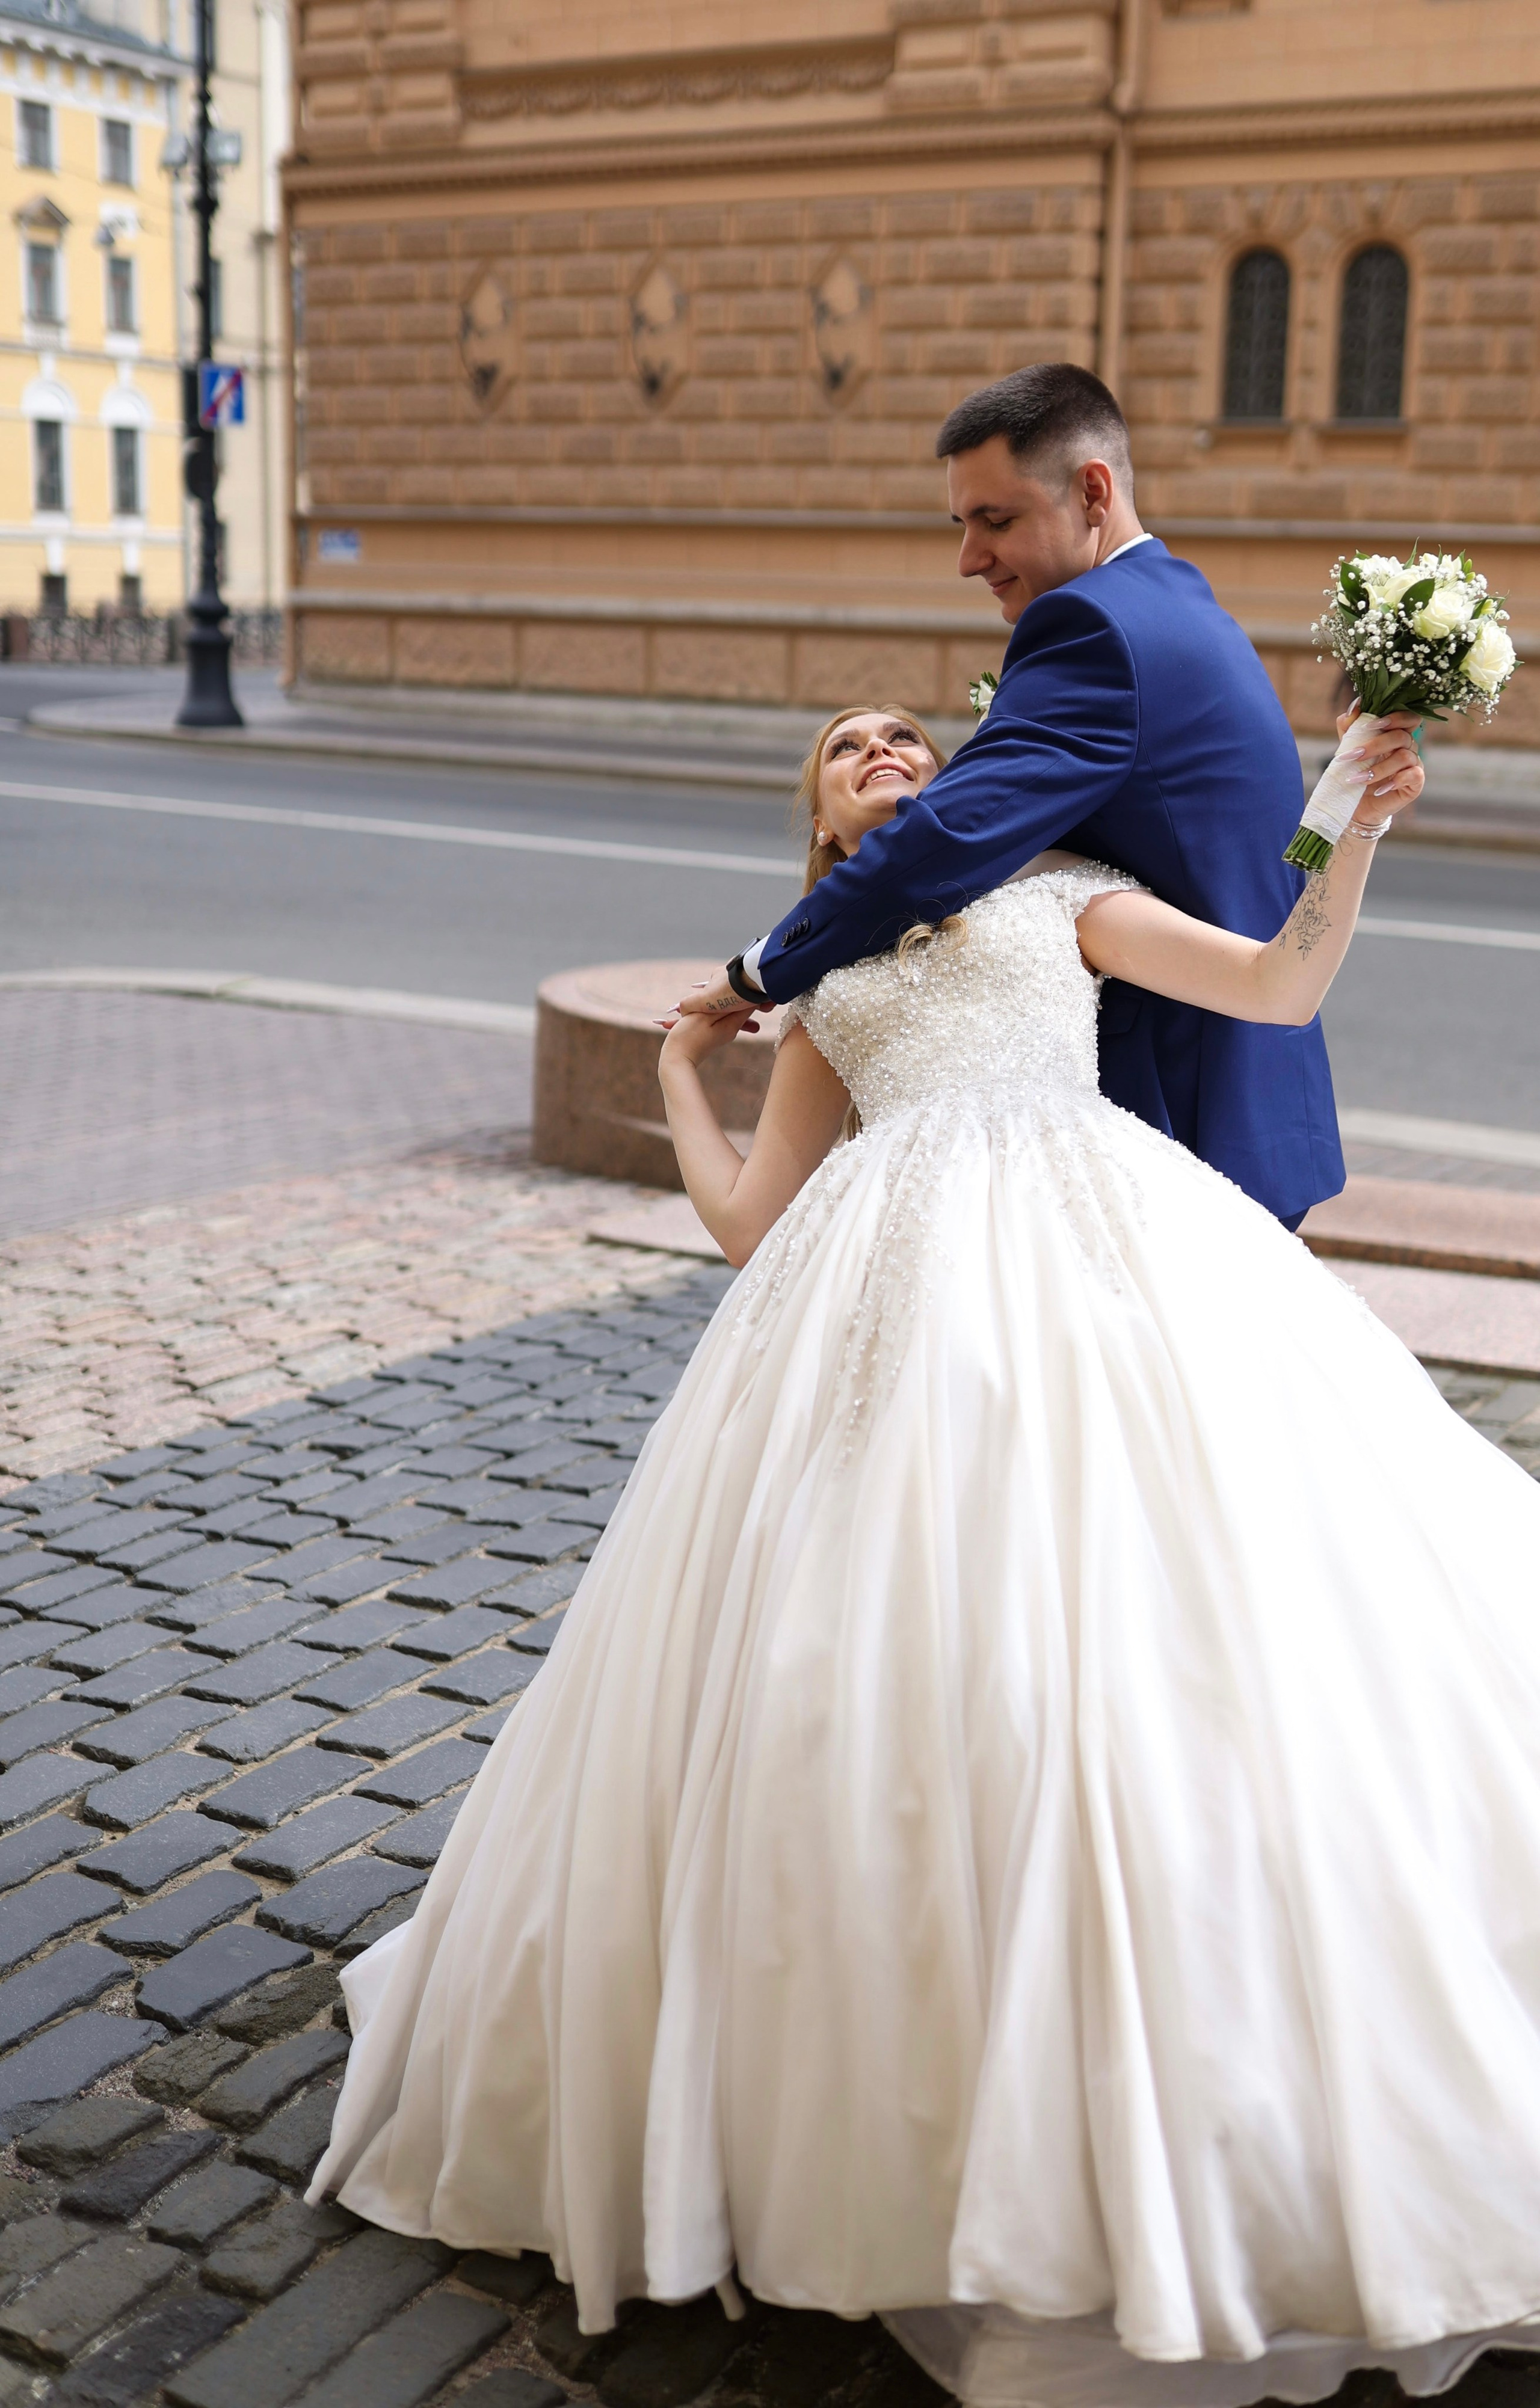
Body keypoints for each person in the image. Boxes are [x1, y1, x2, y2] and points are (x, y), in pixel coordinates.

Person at [309, 696, 1540, 2408]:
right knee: (879, 1655)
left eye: (905, 729)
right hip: (876, 1307)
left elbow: (1274, 977)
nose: (882, 745)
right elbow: (754, 1224)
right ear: (815, 815)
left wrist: (1355, 812)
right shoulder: (821, 980)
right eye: (841, 743)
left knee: (1165, 1620)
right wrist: (682, 1072)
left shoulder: (1057, 884)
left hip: (1103, 1252)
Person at [678, 362, 1388, 1230]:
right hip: (1248, 1096)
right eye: (961, 523)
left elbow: (937, 845)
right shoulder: (1182, 604)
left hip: (1174, 1119)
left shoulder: (1091, 629)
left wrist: (758, 973)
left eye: (996, 520)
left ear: (1092, 492)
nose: (970, 558)